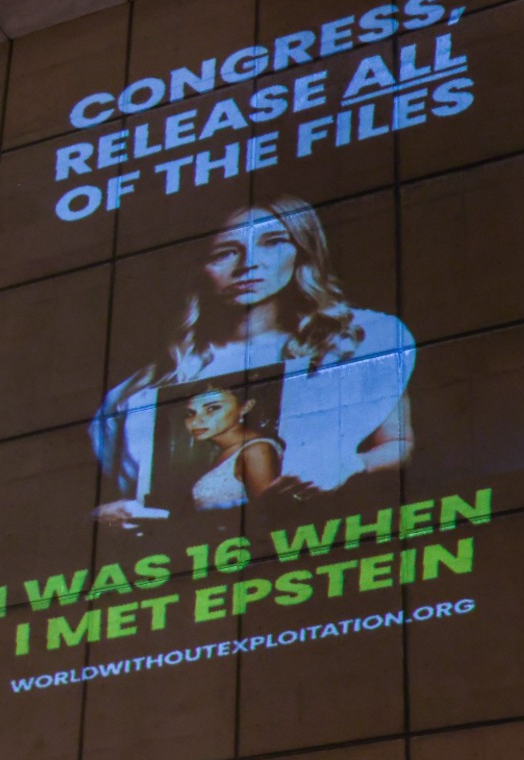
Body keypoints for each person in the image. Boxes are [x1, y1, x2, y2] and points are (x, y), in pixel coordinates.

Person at [90, 196, 415, 526]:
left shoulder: (359, 340)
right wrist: (104, 516)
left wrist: (350, 465)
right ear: (199, 265)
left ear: (302, 250)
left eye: (272, 242)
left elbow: (398, 443)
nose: (249, 263)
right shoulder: (140, 390)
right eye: (225, 252)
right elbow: (111, 498)